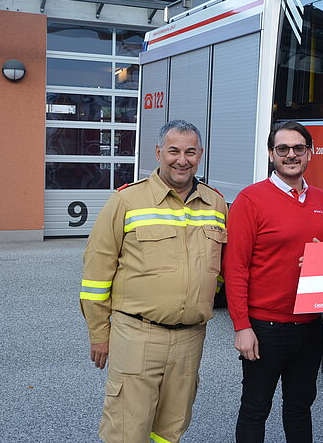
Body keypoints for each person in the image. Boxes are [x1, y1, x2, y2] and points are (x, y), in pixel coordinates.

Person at [79, 119, 227, 443]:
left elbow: (223, 270)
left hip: (190, 340)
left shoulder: (216, 204)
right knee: (126, 430)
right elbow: (96, 273)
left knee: (170, 430)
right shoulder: (126, 201)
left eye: (190, 152)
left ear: (200, 154)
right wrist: (99, 334)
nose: (182, 159)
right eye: (173, 151)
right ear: (159, 152)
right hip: (137, 335)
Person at [222, 121, 323, 443]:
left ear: (309, 153)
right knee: (256, 409)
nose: (291, 155)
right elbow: (235, 268)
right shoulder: (250, 199)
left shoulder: (320, 200)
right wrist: (242, 327)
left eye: (299, 148)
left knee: (300, 408)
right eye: (282, 149)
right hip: (264, 328)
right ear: (271, 155)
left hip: (309, 325)